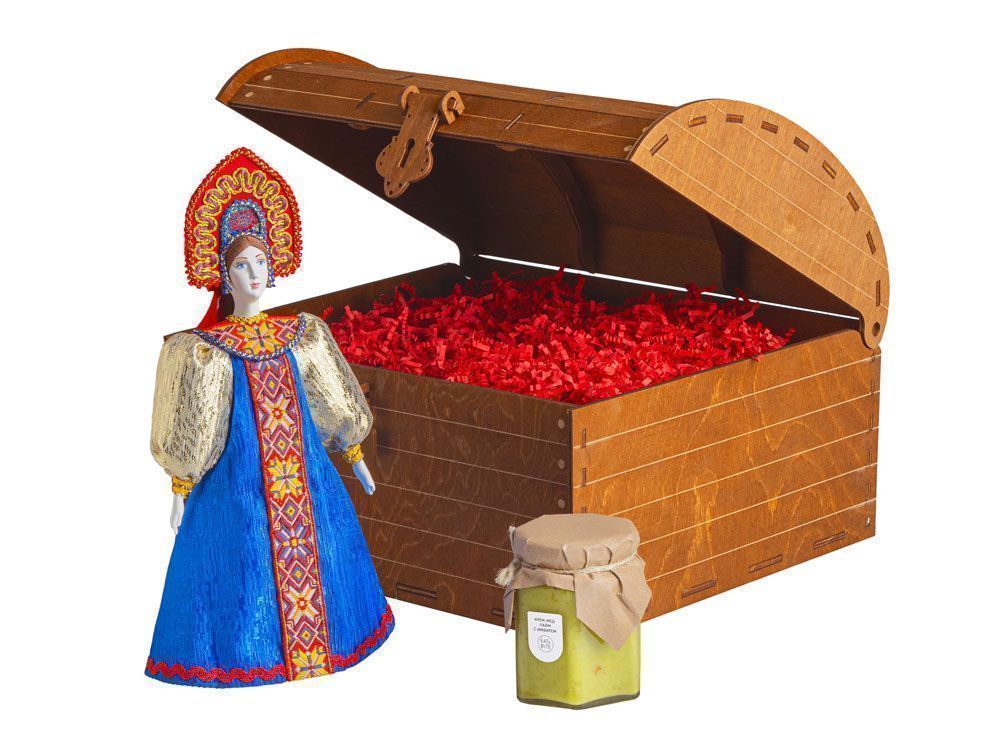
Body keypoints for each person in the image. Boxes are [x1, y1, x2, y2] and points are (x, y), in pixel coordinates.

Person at [145, 147, 392, 687]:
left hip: (308, 478)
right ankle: (248, 654)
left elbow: (331, 398)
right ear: (223, 274)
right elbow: (195, 422)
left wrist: (354, 451)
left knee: (328, 552)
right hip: (238, 485)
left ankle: (324, 643)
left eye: (260, 262)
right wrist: (181, 485)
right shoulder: (205, 351)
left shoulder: (301, 334)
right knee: (239, 566)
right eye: (241, 265)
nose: (254, 274)